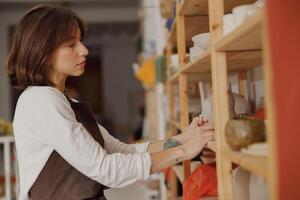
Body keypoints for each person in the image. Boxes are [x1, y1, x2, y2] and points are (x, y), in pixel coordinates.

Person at [6, 5, 214, 200]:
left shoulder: (64, 102)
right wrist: (184, 152)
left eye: (80, 41)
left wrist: (184, 138)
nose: (84, 50)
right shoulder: (41, 101)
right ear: (43, 52)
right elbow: (106, 169)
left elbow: (123, 151)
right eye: (71, 44)